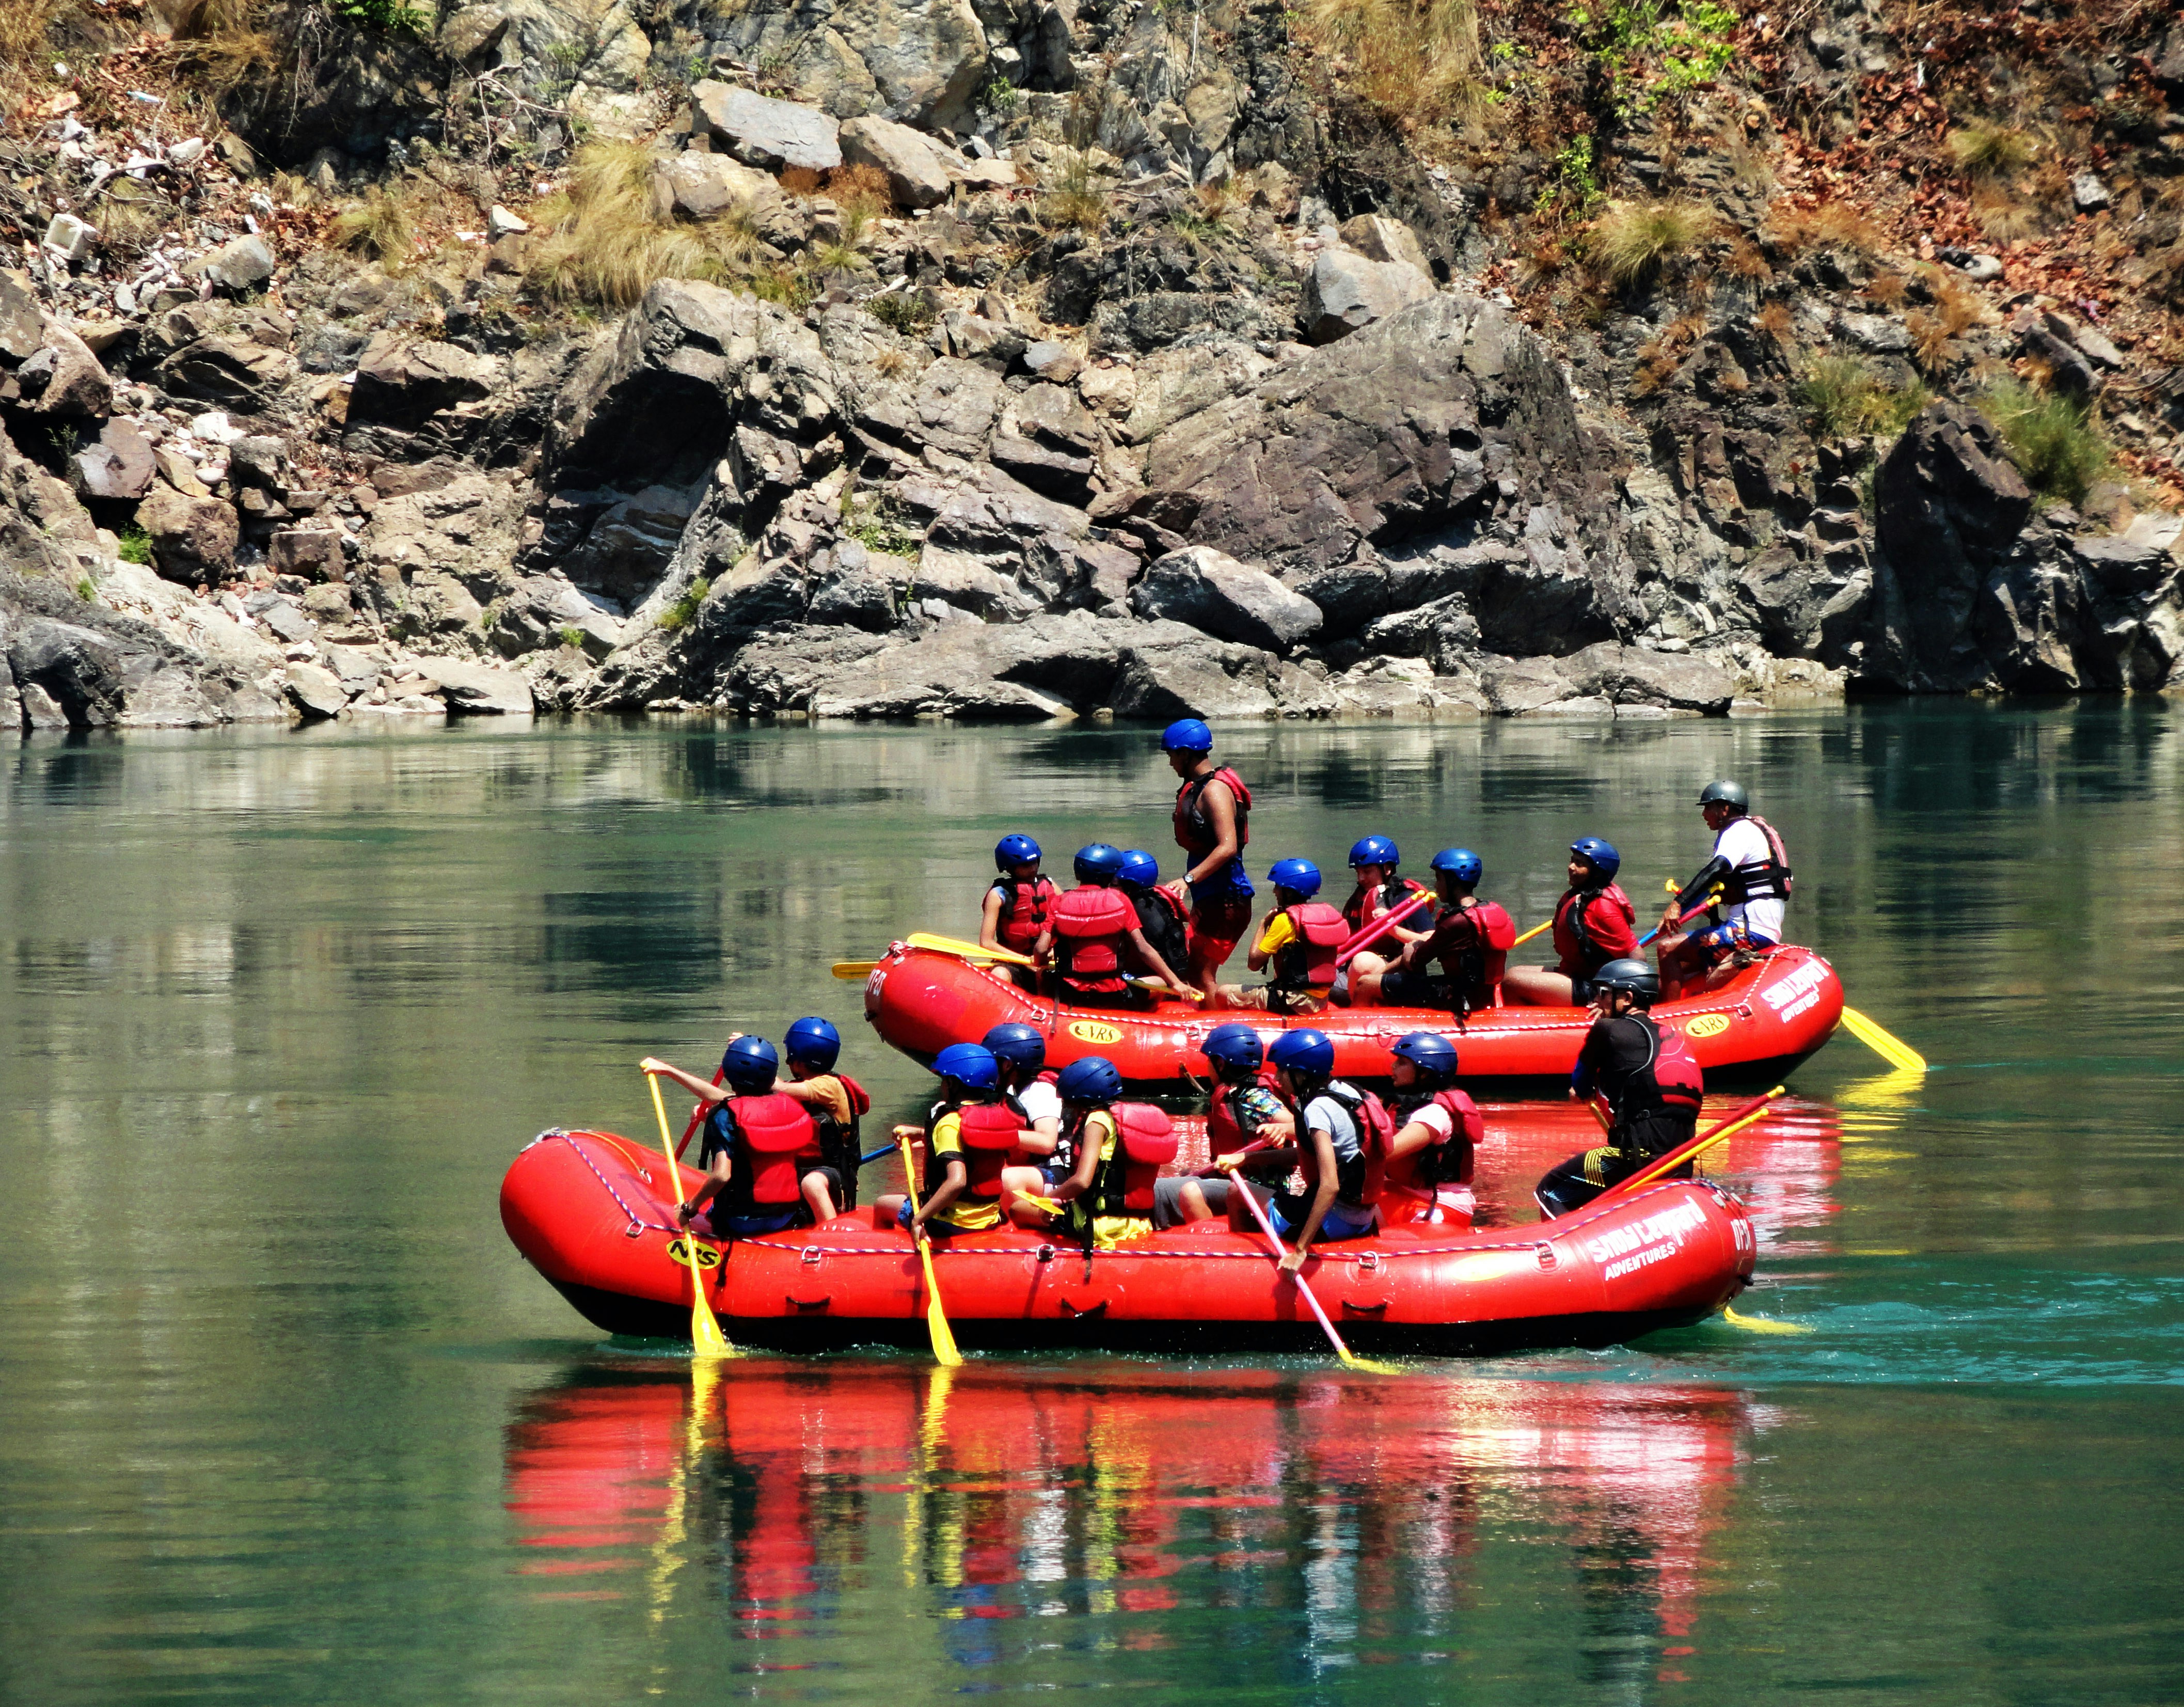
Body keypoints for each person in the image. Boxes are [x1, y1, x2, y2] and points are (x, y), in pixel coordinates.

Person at [1534, 959, 1704, 1217]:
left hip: (1637, 1157)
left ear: (1626, 998)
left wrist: (1583, 1090)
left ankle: (1560, 1252)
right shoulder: (1670, 1035)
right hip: (1681, 1161)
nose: (1595, 1002)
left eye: (1603, 994)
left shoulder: (1606, 1030)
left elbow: (1579, 1086)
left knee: (1551, 1190)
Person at [1219, 1029, 1390, 1270]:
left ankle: (1243, 1266)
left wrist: (1300, 1252)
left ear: (1301, 1074)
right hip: (1363, 1217)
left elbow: (1330, 1184)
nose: (1277, 1078)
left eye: (1283, 1070)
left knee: (1237, 1192)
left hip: (1335, 1223)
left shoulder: (1317, 1109)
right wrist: (1247, 1158)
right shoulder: (1349, 1091)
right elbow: (1308, 1156)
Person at [641, 1035, 814, 1238]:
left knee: (713, 1208)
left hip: (740, 1222)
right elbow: (720, 1097)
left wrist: (689, 1209)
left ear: (730, 1072)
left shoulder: (725, 1116)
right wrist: (668, 1071)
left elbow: (722, 1175)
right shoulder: (787, 1105)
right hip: (786, 1216)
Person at [1653, 780, 1795, 999]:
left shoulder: (1737, 832)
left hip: (1749, 933)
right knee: (1678, 964)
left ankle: (1665, 1017)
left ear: (1725, 809)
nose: (1704, 814)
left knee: (1666, 949)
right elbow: (1727, 883)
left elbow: (1717, 869)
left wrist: (1677, 905)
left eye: (1708, 808)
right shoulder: (1752, 829)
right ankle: (1669, 999)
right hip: (1761, 929)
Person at [874, 1044, 1014, 1241]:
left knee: (883, 1204)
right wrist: (922, 1133)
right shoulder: (996, 1117)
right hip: (990, 1218)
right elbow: (970, 1147)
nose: (941, 1087)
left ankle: (884, 1252)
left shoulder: (949, 1122)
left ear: (954, 1084)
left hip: (951, 1222)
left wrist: (919, 1220)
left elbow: (957, 1182)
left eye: (944, 1081)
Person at [1350, 848, 1517, 1013]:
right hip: (1481, 994)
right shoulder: (1483, 911)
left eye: (1439, 879)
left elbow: (1415, 960)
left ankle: (1355, 1032)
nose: (1436, 885)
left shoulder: (1456, 922)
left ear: (1452, 881)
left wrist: (1408, 949)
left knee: (1366, 985)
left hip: (1455, 996)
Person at [1159, 719, 1254, 1002]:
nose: (1171, 763)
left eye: (1172, 755)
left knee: (1201, 973)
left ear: (1186, 753)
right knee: (1193, 969)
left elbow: (1227, 847)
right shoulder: (1200, 787)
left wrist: (1186, 881)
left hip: (1227, 900)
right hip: (1212, 898)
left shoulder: (1214, 790)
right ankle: (1205, 1020)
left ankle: (1214, 1031)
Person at [1040, 1056, 1178, 1249]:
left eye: (1069, 1102)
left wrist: (1049, 1199)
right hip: (1138, 1224)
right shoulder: (1128, 1119)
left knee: (1020, 1209)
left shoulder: (1097, 1120)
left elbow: (1082, 1181)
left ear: (1083, 1100)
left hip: (1097, 1225)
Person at [1035, 843, 1193, 1010]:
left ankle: (1047, 1013)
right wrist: (1176, 983)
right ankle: (1142, 1017)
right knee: (1159, 982)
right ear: (1111, 875)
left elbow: (1040, 949)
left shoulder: (1059, 902)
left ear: (1077, 873)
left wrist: (1042, 961)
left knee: (1041, 973)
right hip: (1114, 994)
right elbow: (1144, 949)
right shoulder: (1121, 900)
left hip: (1070, 993)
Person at [759, 1017, 873, 1223]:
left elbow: (779, 1087)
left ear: (799, 1059)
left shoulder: (829, 1086)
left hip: (835, 1177)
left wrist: (753, 1057)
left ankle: (831, 1236)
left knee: (812, 1183)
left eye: (790, 1056)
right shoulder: (804, 1089)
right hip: (805, 1172)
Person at [1501, 837, 1637, 1007]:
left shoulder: (1603, 908)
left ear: (1596, 872)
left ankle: (1526, 1029)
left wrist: (1617, 1001)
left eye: (1580, 864)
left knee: (1513, 982)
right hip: (1577, 972)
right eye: (1572, 861)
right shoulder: (1579, 897)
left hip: (1596, 986)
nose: (1571, 867)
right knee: (1516, 972)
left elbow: (1637, 957)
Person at [1181, 1022, 1292, 1224]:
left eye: (1210, 1061)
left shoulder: (1255, 1097)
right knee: (1186, 1175)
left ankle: (1216, 1241)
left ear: (1221, 1064)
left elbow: (1300, 1128)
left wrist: (1282, 1128)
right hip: (1234, 1180)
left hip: (1258, 1187)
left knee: (1191, 1192)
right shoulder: (1232, 1094)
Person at [1380, 1032, 1481, 1225]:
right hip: (1410, 1193)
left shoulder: (1434, 1113)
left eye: (1402, 1063)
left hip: (1440, 1205)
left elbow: (1385, 1153)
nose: (1393, 1067)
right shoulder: (1412, 1105)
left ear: (1424, 1072)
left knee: (1344, 1212)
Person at [1229, 858, 1348, 1014]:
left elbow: (1254, 964)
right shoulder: (1323, 916)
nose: (1274, 891)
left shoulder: (1285, 920)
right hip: (1321, 1000)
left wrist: (1263, 924)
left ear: (1289, 891)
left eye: (1278, 887)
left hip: (1294, 1001)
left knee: (1224, 993)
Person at [985, 1021, 1072, 1226]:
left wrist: (993, 1135)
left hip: (1062, 1175)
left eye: (991, 1062)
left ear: (1006, 1065)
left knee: (1007, 1179)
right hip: (1037, 1172)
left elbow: (1046, 1141)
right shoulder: (1013, 1093)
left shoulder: (1039, 1092)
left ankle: (1016, 1227)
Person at [1331, 835, 1431, 1004]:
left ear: (1387, 869)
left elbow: (1431, 940)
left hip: (1396, 974)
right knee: (1305, 967)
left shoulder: (1405, 897)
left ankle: (1360, 1015)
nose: (1360, 878)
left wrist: (1393, 929)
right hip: (1352, 972)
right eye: (1358, 872)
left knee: (1363, 962)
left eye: (1367, 872)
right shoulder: (1359, 898)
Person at [980, 834, 1057, 974]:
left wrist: (1054, 952)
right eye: (1026, 865)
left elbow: (1070, 927)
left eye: (1035, 862)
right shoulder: (998, 894)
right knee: (1000, 974)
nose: (1033, 868)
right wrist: (1027, 960)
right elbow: (986, 943)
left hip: (1050, 960)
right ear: (1010, 868)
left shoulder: (1051, 886)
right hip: (1015, 962)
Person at [1117, 849, 1190, 983]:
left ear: (1129, 884)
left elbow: (1144, 950)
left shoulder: (1136, 910)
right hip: (1179, 972)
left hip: (1158, 978)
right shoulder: (1158, 901)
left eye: (1115, 883)